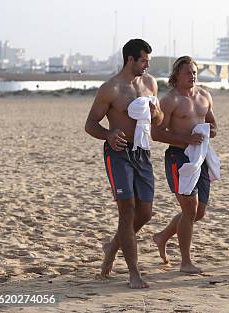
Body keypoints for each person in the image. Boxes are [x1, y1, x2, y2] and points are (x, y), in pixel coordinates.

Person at [84, 39, 163, 288]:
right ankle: (133, 273)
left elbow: (158, 120)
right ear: (130, 59)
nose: (147, 66)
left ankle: (112, 246)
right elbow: (90, 124)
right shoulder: (111, 89)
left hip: (142, 150)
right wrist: (108, 134)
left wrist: (155, 113)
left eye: (148, 61)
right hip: (118, 152)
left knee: (146, 212)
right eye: (143, 61)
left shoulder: (150, 84)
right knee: (127, 210)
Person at [151, 56, 217, 273]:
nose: (193, 76)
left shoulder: (204, 95)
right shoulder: (170, 100)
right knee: (189, 209)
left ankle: (162, 236)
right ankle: (185, 262)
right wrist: (186, 140)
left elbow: (212, 122)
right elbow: (157, 133)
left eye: (195, 72)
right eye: (188, 72)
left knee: (198, 213)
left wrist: (212, 131)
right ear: (176, 75)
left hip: (201, 156)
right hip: (178, 157)